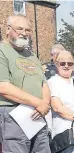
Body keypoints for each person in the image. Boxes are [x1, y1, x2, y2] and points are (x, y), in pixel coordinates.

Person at [0, 15, 51, 153]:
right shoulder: (2, 51)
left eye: (28, 30)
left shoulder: (32, 56)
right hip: (13, 113)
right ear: (8, 30)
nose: (24, 33)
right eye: (20, 28)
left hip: (38, 114)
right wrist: (38, 103)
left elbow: (44, 84)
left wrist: (44, 104)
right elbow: (3, 87)